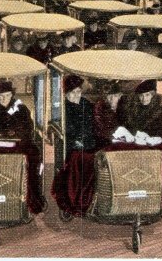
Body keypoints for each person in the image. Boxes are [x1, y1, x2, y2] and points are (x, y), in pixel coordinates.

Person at [0, 80, 47, 214]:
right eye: (0, 96)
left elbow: (28, 130)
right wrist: (2, 136)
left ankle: (32, 198)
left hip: (19, 144)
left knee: (34, 154)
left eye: (8, 96)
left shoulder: (21, 108)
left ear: (12, 95)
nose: (4, 99)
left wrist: (15, 135)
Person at [116, 80, 162, 208]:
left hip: (154, 143)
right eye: (141, 95)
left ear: (152, 95)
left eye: (147, 95)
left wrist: (151, 138)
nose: (143, 99)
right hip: (137, 142)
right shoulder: (132, 108)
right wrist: (136, 136)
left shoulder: (159, 109)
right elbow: (128, 127)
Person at [51, 75, 98, 217]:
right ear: (66, 94)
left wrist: (87, 139)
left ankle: (94, 199)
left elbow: (93, 127)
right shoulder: (62, 108)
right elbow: (65, 131)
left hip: (88, 143)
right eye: (72, 92)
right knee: (80, 160)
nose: (76, 95)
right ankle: (77, 201)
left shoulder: (87, 105)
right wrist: (76, 140)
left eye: (78, 92)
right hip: (71, 145)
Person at [93, 81, 125, 148]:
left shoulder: (122, 106)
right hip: (104, 141)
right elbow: (101, 129)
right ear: (105, 96)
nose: (112, 99)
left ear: (120, 96)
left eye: (115, 96)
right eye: (109, 96)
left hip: (121, 139)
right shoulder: (100, 106)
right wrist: (115, 137)